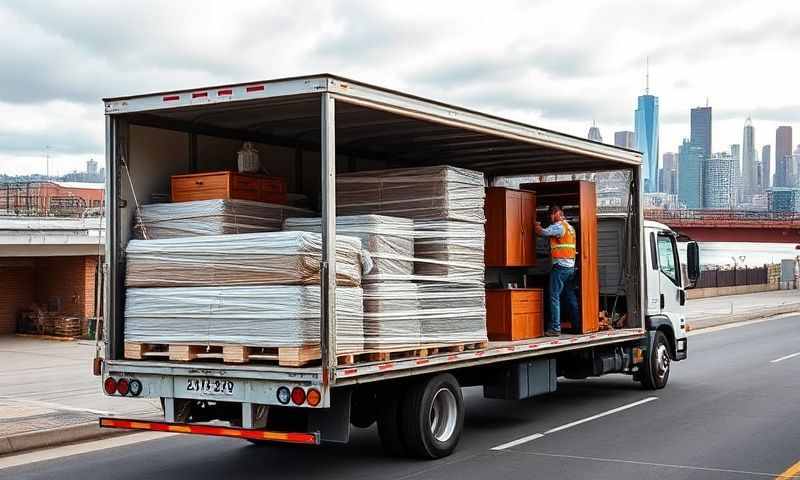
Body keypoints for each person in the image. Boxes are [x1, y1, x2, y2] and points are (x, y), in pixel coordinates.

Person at [535, 205, 580, 336]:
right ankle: (576, 326)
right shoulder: (570, 228)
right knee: (570, 296)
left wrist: (535, 226)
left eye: (551, 215)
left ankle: (555, 328)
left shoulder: (559, 226)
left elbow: (543, 232)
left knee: (554, 297)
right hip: (570, 267)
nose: (550, 217)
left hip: (560, 267)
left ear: (557, 213)